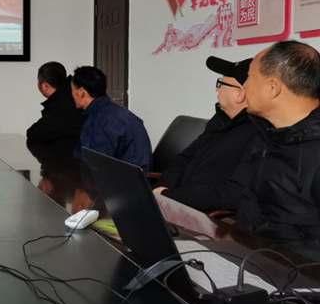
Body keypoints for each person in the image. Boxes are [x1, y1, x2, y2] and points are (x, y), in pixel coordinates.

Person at [226, 41, 320, 250]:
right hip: (248, 254)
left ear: (272, 88)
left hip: (292, 267)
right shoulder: (265, 135)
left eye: (249, 77)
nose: (244, 86)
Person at [153, 56, 257, 211]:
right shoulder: (220, 119)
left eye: (220, 84)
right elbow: (184, 158)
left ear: (240, 93)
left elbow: (231, 194)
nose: (217, 90)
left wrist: (170, 197)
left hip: (206, 215)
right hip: (177, 204)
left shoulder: (258, 133)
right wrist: (162, 189)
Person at [71, 65, 152, 170]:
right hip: (134, 175)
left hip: (122, 178)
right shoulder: (114, 113)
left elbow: (95, 164)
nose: (71, 95)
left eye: (72, 90)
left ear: (81, 92)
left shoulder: (100, 120)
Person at [26, 61, 84, 152]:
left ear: (45, 86)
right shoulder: (72, 95)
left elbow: (35, 133)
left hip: (70, 157)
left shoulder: (61, 105)